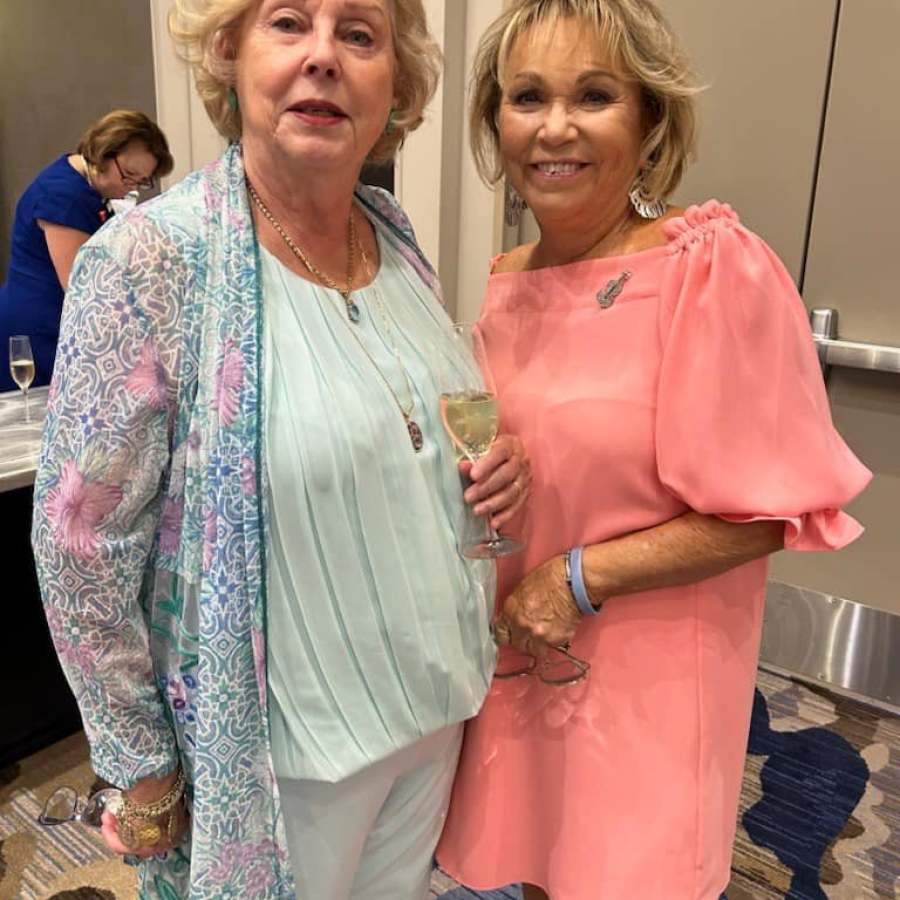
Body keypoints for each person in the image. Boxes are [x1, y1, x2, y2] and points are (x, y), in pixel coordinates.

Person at [30, 2, 531, 899]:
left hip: (434, 709)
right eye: (290, 22)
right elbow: (79, 543)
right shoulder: (152, 259)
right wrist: (139, 763)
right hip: (286, 758)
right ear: (232, 56)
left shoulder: (392, 230)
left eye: (360, 34)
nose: (324, 56)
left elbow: (412, 426)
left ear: (397, 84)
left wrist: (493, 470)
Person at [435, 2, 872, 899]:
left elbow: (773, 511)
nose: (555, 127)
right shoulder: (505, 279)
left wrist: (576, 579)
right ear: (496, 121)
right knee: (536, 868)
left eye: (593, 96)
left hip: (648, 682)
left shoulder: (709, 265)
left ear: (650, 120)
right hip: (521, 659)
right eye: (528, 97)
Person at [0, 109, 173, 391]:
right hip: (37, 331)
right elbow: (81, 287)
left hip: (54, 322)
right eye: (128, 175)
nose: (131, 187)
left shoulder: (87, 183)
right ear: (103, 153)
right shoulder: (63, 197)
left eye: (141, 180)